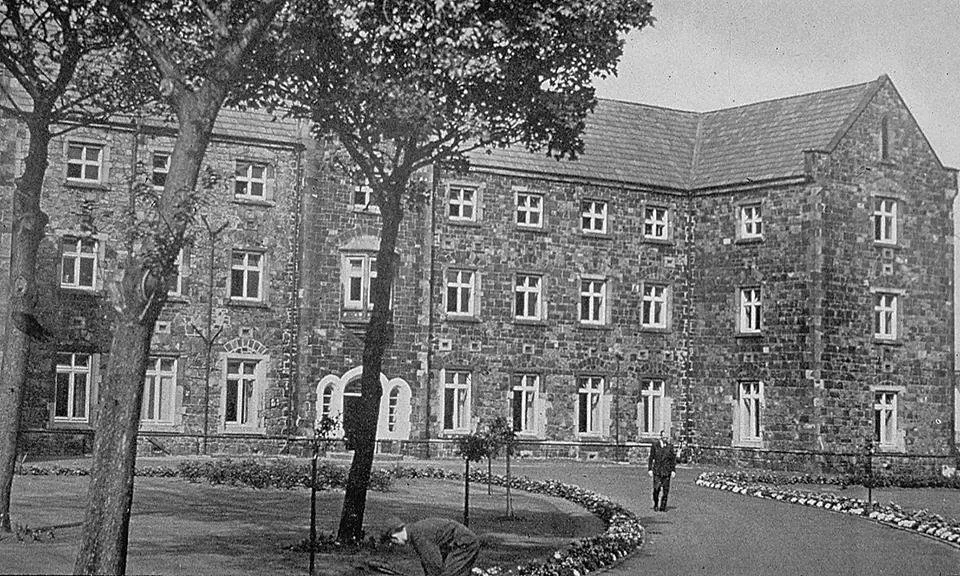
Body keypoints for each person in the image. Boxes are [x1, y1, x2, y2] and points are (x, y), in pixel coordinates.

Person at [389, 517, 480, 576]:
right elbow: (428, 563)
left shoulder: (418, 536)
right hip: (458, 545)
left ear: (394, 536)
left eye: (391, 542)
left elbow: (434, 566)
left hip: (464, 544)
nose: (393, 545)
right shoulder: (415, 532)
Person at [647, 429, 677, 512]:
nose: (665, 438)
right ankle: (656, 503)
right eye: (664, 437)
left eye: (666, 437)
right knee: (656, 489)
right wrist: (650, 469)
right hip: (657, 470)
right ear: (661, 437)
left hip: (666, 471)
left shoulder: (670, 447)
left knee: (666, 490)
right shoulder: (655, 445)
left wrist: (673, 470)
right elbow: (651, 458)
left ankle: (663, 506)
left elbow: (672, 459)